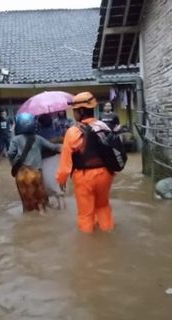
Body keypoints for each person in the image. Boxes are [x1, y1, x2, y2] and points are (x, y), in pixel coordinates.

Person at [57, 92, 115, 233]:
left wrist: (61, 179)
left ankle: (88, 247)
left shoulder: (73, 132)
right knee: (103, 206)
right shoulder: (104, 127)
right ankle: (108, 233)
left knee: (86, 213)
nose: (74, 114)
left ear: (81, 111)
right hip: (106, 175)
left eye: (75, 111)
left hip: (84, 177)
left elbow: (66, 163)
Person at [8, 113, 61, 214]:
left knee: (26, 202)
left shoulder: (15, 139)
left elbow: (10, 153)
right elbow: (52, 147)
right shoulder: (37, 138)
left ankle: (28, 220)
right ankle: (42, 218)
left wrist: (14, 163)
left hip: (21, 174)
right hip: (36, 173)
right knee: (41, 201)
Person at [37, 113, 66, 209]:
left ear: (40, 123)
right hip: (57, 160)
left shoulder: (38, 134)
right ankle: (62, 205)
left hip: (44, 161)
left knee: (45, 184)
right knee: (59, 183)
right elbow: (63, 142)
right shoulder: (57, 131)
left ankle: (47, 204)